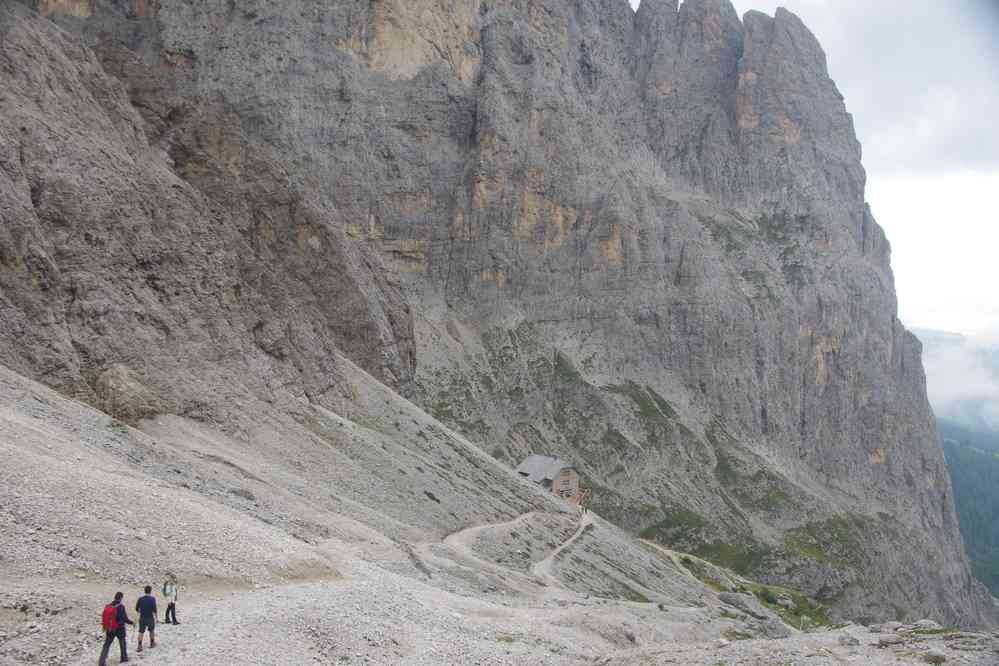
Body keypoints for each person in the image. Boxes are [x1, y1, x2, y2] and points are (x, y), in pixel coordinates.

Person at [98, 591, 133, 665]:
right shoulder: (121, 606)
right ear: (121, 598)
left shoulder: (109, 606)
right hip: (120, 628)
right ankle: (123, 658)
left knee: (107, 644)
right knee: (122, 643)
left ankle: (101, 661)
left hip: (110, 628)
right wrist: (132, 623)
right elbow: (125, 618)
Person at [135, 585, 157, 652]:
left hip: (142, 617)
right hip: (150, 617)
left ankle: (139, 645)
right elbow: (154, 609)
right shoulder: (153, 599)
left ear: (144, 591)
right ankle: (152, 643)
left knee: (141, 631)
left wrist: (140, 611)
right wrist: (156, 617)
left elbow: (136, 608)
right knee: (151, 630)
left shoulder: (140, 599)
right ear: (150, 591)